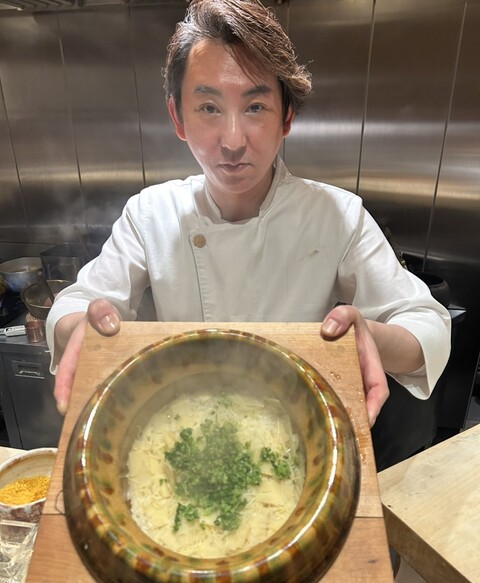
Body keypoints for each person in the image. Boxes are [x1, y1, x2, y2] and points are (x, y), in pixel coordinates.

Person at [46, 0, 451, 428]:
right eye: (209, 108)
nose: (233, 141)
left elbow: (426, 326)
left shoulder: (336, 215)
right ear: (178, 118)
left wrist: (370, 337)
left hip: (294, 428)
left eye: (255, 107)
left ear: (286, 117)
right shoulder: (150, 214)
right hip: (184, 428)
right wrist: (81, 329)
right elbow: (75, 305)